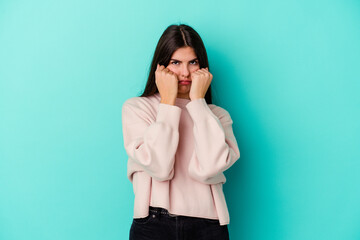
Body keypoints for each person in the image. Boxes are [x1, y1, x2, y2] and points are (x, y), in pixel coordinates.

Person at [121, 23, 240, 240]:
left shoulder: (217, 116)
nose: (184, 72)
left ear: (203, 67)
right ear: (161, 67)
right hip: (153, 222)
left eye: (192, 62)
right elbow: (159, 167)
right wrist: (167, 102)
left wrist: (197, 103)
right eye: (175, 62)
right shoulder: (138, 109)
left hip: (209, 227)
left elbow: (209, 168)